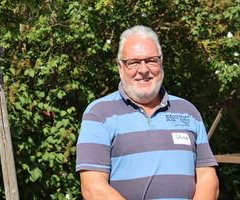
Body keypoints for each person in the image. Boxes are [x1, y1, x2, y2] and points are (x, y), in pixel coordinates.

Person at [76, 25, 219, 200]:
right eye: (134, 62)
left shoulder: (188, 112)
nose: (143, 70)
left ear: (161, 63)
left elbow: (208, 179)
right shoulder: (99, 114)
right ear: (120, 67)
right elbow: (93, 188)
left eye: (151, 60)